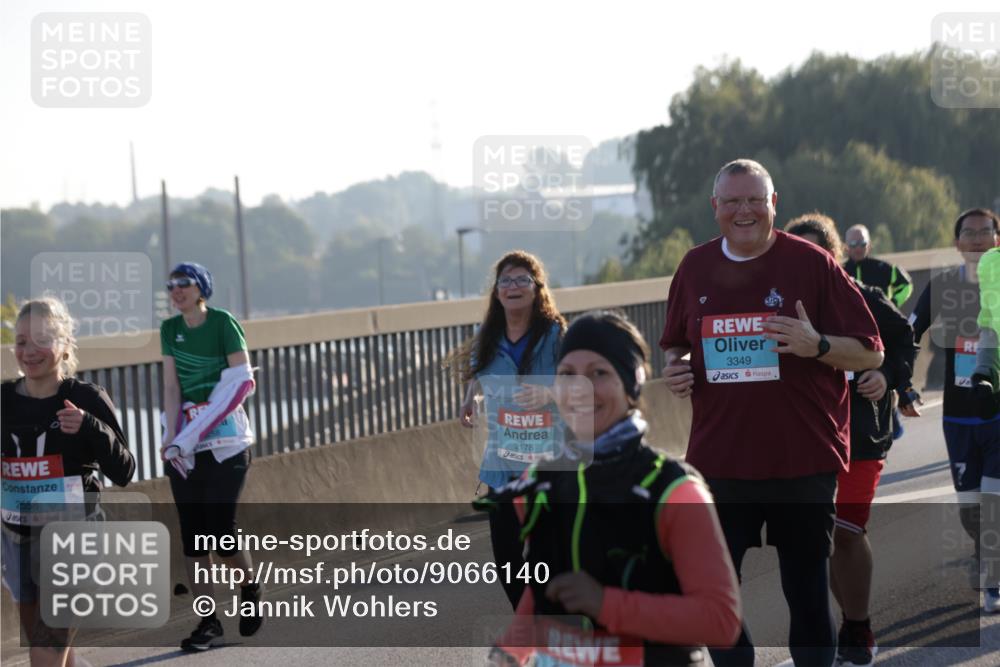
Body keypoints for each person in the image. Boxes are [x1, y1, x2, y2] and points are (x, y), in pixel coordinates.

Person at [660, 159, 884, 667]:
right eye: (733, 201)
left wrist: (818, 344)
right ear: (715, 207)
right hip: (720, 460)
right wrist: (677, 370)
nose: (745, 211)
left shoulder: (812, 264)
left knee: (805, 594)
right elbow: (674, 346)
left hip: (802, 459)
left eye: (755, 200)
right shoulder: (694, 267)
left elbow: (871, 352)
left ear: (773, 204)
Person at [485, 311, 741, 666]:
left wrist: (605, 604)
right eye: (567, 375)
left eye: (599, 373)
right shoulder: (544, 480)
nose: (580, 389)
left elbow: (721, 621)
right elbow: (545, 592)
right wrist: (511, 650)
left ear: (630, 385)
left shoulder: (673, 490)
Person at [786, 213, 917, 666]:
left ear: (834, 255)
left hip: (860, 435)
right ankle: (847, 618)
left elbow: (904, 341)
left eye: (817, 252)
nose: (808, 261)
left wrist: (886, 374)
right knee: (819, 540)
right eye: (798, 252)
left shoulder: (865, 298)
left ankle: (858, 627)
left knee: (846, 532)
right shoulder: (778, 307)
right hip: (805, 439)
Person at [2, 297, 135, 667]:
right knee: (50, 651)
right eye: (22, 341)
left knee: (44, 654)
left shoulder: (85, 398)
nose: (30, 351)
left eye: (42, 340)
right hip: (17, 540)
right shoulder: (3, 401)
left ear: (64, 346)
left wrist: (91, 427)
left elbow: (124, 471)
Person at [448, 250, 566, 608]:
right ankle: (532, 621)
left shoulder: (556, 334)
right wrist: (472, 397)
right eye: (506, 281)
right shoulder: (487, 335)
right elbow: (478, 370)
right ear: (497, 292)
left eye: (522, 280)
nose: (513, 287)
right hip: (502, 468)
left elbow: (582, 384)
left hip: (548, 468)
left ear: (536, 288)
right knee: (509, 565)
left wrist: (549, 391)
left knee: (546, 563)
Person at [159, 262, 261, 651]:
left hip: (227, 441)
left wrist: (198, 426)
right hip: (187, 443)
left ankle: (249, 585)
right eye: (171, 285)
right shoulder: (170, 330)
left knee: (219, 528)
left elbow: (240, 382)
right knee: (193, 535)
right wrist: (171, 437)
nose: (176, 290)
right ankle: (208, 620)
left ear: (201, 288)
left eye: (183, 284)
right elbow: (171, 386)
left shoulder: (223, 323)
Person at [909, 208, 1000, 613]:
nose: (978, 239)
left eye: (986, 232)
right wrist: (899, 382)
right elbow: (908, 332)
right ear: (957, 242)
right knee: (970, 508)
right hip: (958, 415)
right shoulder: (944, 286)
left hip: (997, 413)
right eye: (970, 233)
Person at [843, 224, 914, 309]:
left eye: (862, 243)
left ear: (869, 245)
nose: (858, 248)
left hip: (881, 321)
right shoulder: (840, 270)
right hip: (852, 321)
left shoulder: (883, 267)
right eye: (853, 244)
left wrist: (892, 304)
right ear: (846, 247)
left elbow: (906, 285)